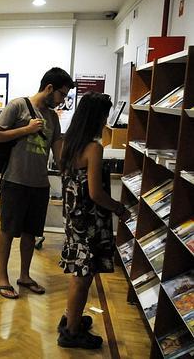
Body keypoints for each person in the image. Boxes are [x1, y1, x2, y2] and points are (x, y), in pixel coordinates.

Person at [0, 67, 74, 299]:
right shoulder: (18, 106)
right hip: (15, 180)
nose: (62, 101)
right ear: (49, 88)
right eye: (61, 95)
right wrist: (26, 129)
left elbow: (57, 149)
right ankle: (1, 278)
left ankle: (24, 276)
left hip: (39, 184)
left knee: (30, 233)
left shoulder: (52, 117)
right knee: (8, 230)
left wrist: (66, 170)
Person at [57, 92, 128, 349]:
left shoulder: (68, 144)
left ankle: (70, 319)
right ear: (96, 118)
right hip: (89, 223)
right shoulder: (93, 148)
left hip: (75, 220)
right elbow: (97, 193)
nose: (105, 121)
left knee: (79, 273)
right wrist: (119, 208)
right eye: (104, 116)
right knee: (82, 277)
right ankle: (71, 332)